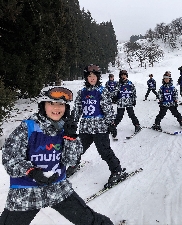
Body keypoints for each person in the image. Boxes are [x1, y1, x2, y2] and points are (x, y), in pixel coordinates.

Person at [0, 86, 113, 225]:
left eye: (61, 104)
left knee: (91, 221)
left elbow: (71, 160)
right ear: (43, 106)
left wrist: (70, 138)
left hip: (57, 188)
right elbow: (9, 157)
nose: (56, 108)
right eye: (51, 103)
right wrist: (32, 172)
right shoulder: (27, 128)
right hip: (26, 193)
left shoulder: (66, 128)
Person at [68, 64, 127, 186]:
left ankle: (117, 171)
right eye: (89, 76)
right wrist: (73, 122)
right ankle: (74, 164)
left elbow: (108, 109)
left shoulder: (102, 91)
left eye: (94, 76)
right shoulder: (82, 92)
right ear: (86, 78)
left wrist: (111, 124)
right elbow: (78, 108)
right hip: (85, 128)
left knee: (104, 151)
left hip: (100, 128)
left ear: (98, 77)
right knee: (78, 148)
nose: (92, 78)